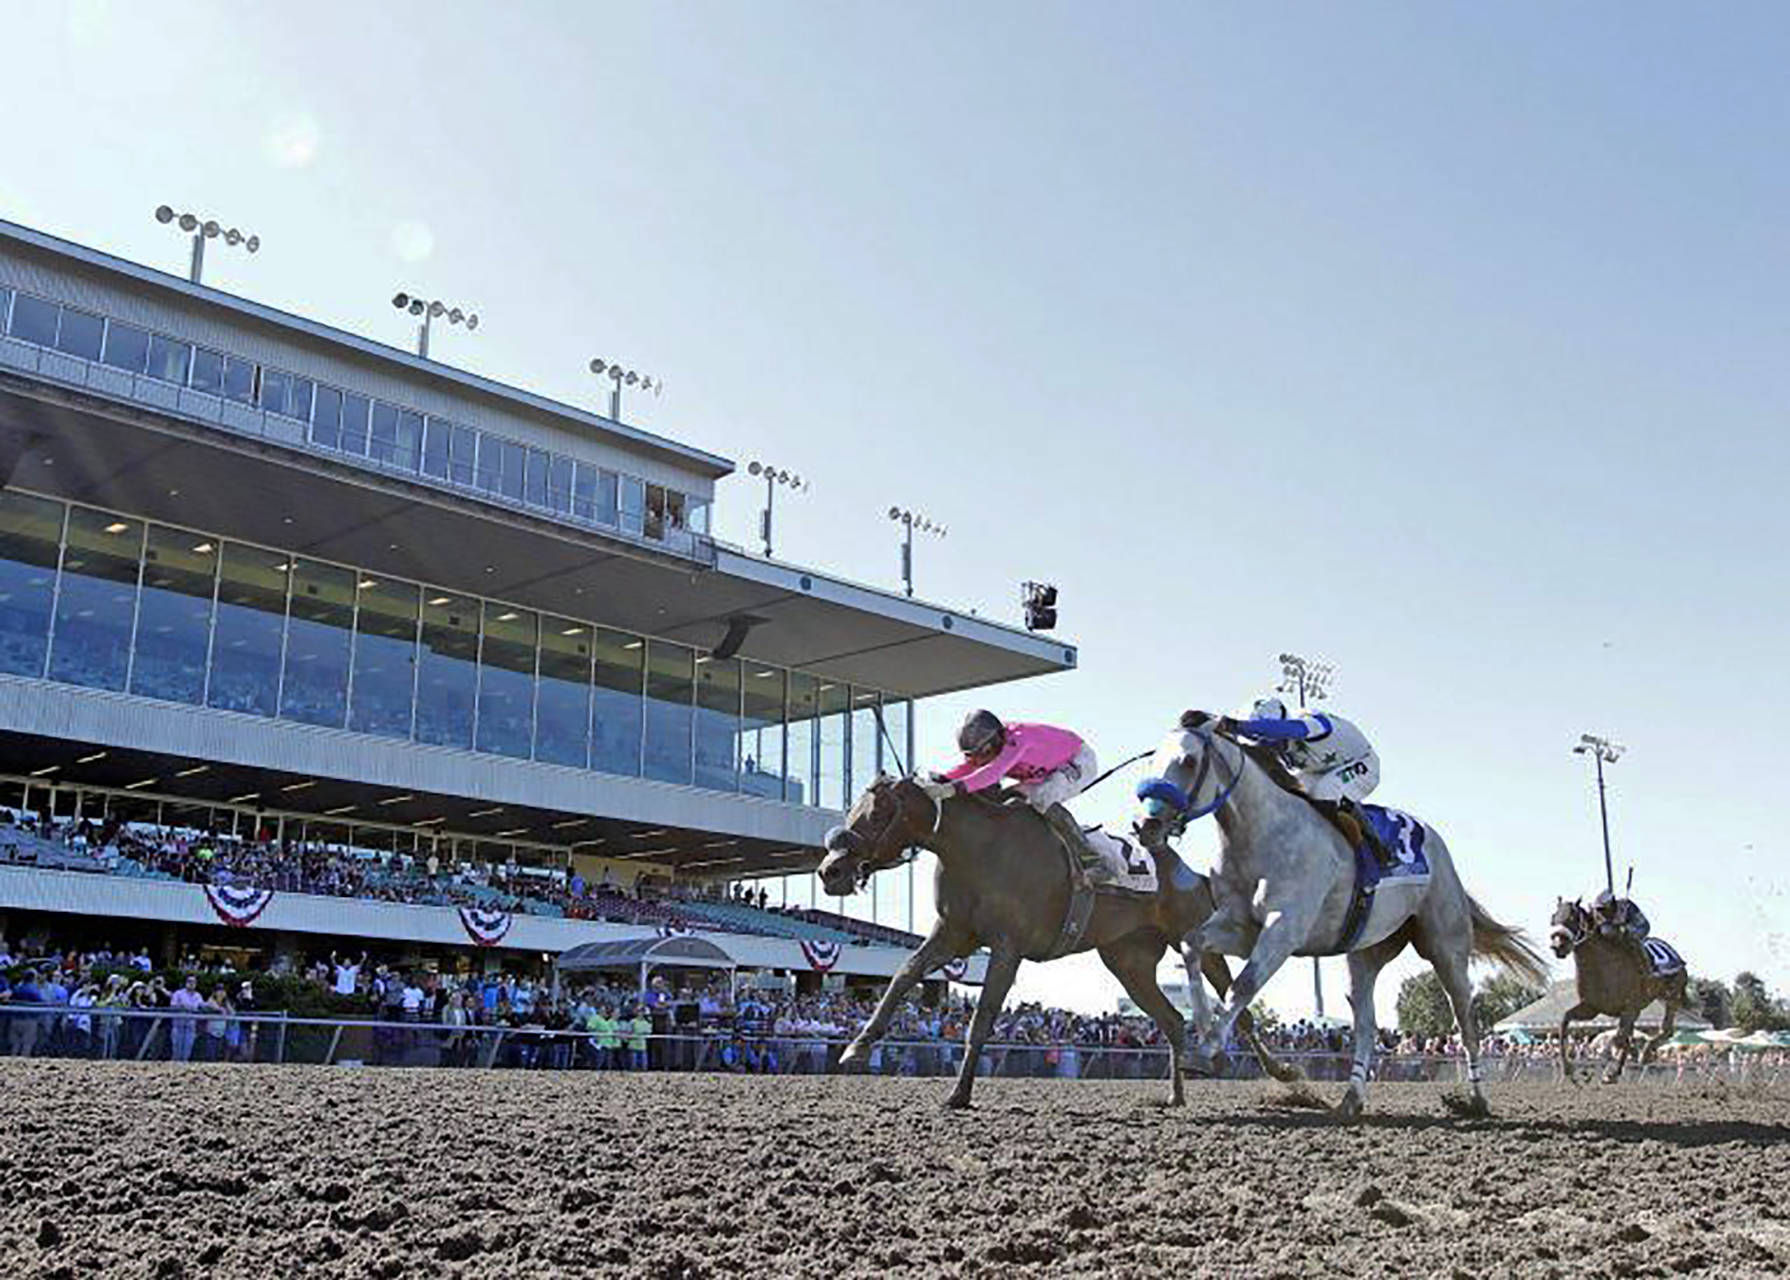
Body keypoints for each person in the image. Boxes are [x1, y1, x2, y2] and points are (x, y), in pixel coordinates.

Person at [918, 710, 1110, 886]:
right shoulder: (992, 745)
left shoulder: (1017, 740)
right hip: (1042, 774)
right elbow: (968, 769)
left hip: (1076, 760)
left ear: (997, 740)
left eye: (983, 753)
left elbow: (991, 774)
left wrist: (952, 789)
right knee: (1005, 800)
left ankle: (1095, 861)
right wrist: (939, 780)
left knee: (1042, 798)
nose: (979, 761)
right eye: (973, 756)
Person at [1215, 698, 1394, 870]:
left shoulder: (1309, 722)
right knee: (1293, 798)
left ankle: (1376, 852)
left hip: (1361, 763)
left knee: (1325, 791)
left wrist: (1239, 727)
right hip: (1318, 769)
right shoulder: (1279, 731)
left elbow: (1293, 730)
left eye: (1271, 742)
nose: (1270, 749)